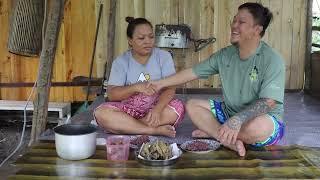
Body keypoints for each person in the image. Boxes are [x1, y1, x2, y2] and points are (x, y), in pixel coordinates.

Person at [150, 2, 285, 156]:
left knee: (258, 128)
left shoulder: (272, 59)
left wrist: (237, 120)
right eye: (234, 20)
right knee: (193, 105)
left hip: (263, 118)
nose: (234, 25)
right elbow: (192, 72)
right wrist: (160, 83)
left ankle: (215, 132)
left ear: (257, 29)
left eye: (241, 22)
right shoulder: (225, 55)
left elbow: (268, 102)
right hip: (229, 113)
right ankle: (226, 138)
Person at [94, 17, 184, 138]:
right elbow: (112, 95)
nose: (147, 41)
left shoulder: (164, 57)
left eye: (151, 37)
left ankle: (125, 127)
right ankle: (153, 131)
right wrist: (135, 87)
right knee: (101, 113)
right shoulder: (121, 62)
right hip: (128, 110)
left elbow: (170, 89)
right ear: (130, 40)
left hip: (155, 109)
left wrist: (157, 110)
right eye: (141, 38)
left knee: (178, 108)